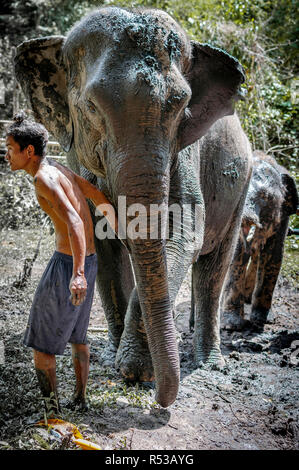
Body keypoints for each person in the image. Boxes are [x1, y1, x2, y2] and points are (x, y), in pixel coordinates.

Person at [5, 112, 117, 414]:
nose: (6, 156)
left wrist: (77, 274)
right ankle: (81, 400)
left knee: (42, 350)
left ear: (29, 152)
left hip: (70, 266)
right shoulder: (57, 167)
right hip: (88, 260)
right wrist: (118, 228)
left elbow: (75, 223)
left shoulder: (43, 178)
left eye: (10, 149)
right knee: (79, 338)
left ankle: (52, 414)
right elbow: (93, 192)